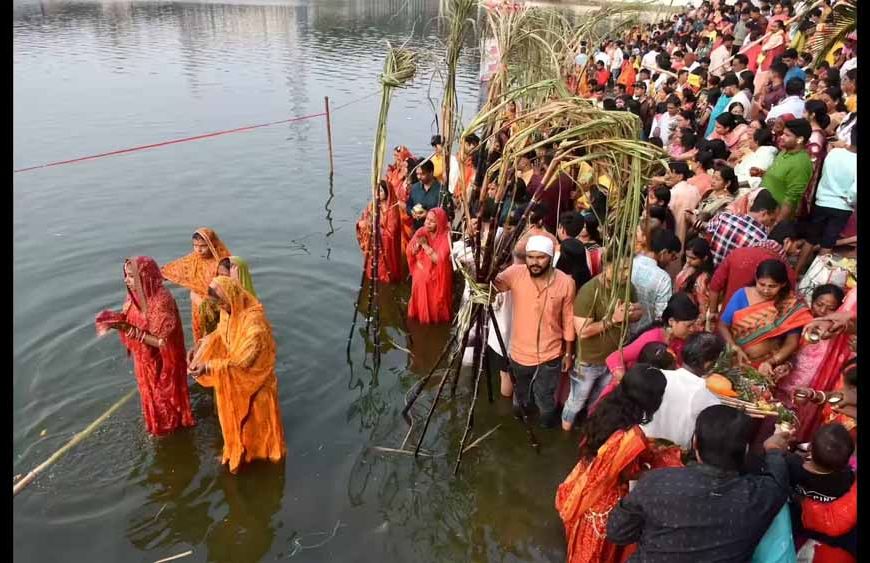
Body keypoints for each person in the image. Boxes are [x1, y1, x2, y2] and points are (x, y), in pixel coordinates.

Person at [607, 405, 792, 561]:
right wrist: (774, 450)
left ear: (695, 443)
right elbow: (778, 479)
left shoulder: (656, 482)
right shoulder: (762, 496)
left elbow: (618, 532)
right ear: (745, 450)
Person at [555, 364, 680, 563]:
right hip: (606, 505)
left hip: (585, 487)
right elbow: (624, 474)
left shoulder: (606, 407)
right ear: (650, 400)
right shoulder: (629, 438)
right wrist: (650, 471)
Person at [187, 277, 286, 473]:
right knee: (241, 426)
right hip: (236, 380)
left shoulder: (254, 324)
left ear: (232, 297)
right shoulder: (229, 311)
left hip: (256, 386)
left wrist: (209, 367)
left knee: (255, 427)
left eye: (222, 303)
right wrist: (199, 347)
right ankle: (240, 452)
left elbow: (245, 362)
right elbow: (219, 334)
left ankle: (259, 460)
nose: (221, 308)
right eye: (219, 304)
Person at [99, 256, 195, 436]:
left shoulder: (160, 301)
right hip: (144, 361)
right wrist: (116, 321)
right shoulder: (134, 295)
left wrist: (128, 329)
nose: (126, 280)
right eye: (125, 275)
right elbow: (131, 320)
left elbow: (163, 341)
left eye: (131, 276)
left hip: (162, 362)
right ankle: (159, 426)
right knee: (150, 397)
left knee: (165, 401)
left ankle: (173, 432)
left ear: (146, 276)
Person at [494, 235, 575, 429]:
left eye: (541, 257)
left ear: (550, 258)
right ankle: (519, 429)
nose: (535, 262)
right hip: (519, 354)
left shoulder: (565, 282)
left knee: (545, 399)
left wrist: (568, 353)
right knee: (519, 399)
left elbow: (569, 320)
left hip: (550, 355)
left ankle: (546, 427)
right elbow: (492, 288)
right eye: (530, 257)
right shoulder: (515, 273)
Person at [566, 249, 642, 430]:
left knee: (599, 399)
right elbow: (582, 331)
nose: (626, 274)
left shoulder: (627, 287)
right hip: (589, 361)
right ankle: (566, 429)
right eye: (621, 269)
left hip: (614, 358)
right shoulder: (588, 292)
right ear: (605, 267)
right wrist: (613, 320)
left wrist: (632, 313)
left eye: (628, 269)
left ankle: (587, 426)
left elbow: (638, 313)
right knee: (576, 402)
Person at [593, 293, 700, 410]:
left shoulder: (680, 341)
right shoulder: (652, 337)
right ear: (671, 321)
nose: (693, 329)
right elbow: (614, 358)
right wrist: (628, 384)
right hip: (626, 397)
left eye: (694, 324)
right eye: (688, 325)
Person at [718, 259, 813, 374]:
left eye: (772, 286)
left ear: (783, 284)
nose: (766, 290)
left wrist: (771, 361)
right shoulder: (742, 295)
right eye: (761, 284)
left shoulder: (790, 305)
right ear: (756, 279)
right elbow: (723, 325)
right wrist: (733, 346)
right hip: (734, 358)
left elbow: (792, 342)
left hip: (764, 366)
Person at [641, 332, 724, 449]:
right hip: (673, 457)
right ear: (708, 364)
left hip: (640, 449)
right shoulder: (704, 395)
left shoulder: (657, 377)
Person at [786, 423, 857, 561]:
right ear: (846, 462)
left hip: (796, 521)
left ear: (810, 448)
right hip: (824, 529)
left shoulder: (792, 464)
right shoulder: (847, 476)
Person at [707, 219, 802, 316]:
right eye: (798, 246)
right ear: (787, 242)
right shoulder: (787, 272)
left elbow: (715, 285)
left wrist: (713, 312)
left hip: (726, 317)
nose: (798, 251)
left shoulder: (738, 253)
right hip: (759, 326)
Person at [775, 284, 845, 406]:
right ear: (812, 302)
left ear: (839, 311)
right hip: (786, 381)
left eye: (831, 308)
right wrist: (787, 364)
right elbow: (792, 350)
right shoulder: (800, 322)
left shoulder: (839, 336)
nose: (823, 311)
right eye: (819, 304)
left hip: (814, 390)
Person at [161, 227, 231, 344]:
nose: (199, 250)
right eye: (195, 245)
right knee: (199, 337)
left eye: (203, 246)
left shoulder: (222, 263)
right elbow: (172, 270)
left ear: (212, 244)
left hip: (216, 306)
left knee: (217, 339)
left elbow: (230, 288)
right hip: (197, 306)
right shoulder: (192, 259)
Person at [705, 188, 779, 266]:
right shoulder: (762, 241)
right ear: (764, 214)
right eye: (772, 220)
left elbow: (705, 240)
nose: (773, 225)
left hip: (706, 270)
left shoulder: (722, 218)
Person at [759, 117, 814, 222]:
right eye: (783, 134)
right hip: (761, 208)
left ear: (800, 139)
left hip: (771, 217)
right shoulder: (784, 151)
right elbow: (780, 177)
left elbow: (791, 200)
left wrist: (776, 225)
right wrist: (762, 173)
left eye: (787, 135)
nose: (782, 137)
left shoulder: (801, 164)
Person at [406, 208, 453, 324]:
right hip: (419, 278)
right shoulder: (422, 231)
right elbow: (410, 250)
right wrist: (415, 248)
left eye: (432, 221)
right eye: (427, 219)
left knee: (433, 308)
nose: (427, 223)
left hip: (435, 280)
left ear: (440, 223)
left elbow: (439, 260)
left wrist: (425, 246)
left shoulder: (445, 237)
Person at [631, 228, 680, 336]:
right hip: (644, 335)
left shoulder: (631, 263)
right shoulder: (663, 278)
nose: (671, 262)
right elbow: (662, 316)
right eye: (672, 256)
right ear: (663, 252)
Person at [356, 180, 403, 284]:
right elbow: (363, 219)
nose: (378, 194)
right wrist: (365, 225)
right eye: (377, 191)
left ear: (387, 192)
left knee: (383, 272)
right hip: (373, 244)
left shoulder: (392, 209)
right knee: (372, 268)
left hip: (384, 248)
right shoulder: (372, 205)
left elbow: (391, 233)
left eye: (381, 191)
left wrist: (377, 229)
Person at [201, 255, 260, 336]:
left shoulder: (253, 305)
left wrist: (236, 285)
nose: (221, 279)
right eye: (219, 275)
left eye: (225, 276)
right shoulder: (214, 298)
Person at [406, 159, 449, 230]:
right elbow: (408, 206)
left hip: (435, 231)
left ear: (431, 173)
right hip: (417, 230)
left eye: (422, 174)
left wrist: (428, 214)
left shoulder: (441, 190)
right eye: (417, 174)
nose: (419, 177)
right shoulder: (414, 188)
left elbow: (447, 213)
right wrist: (412, 212)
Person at [675, 237, 714, 315]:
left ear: (705, 258)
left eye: (693, 258)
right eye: (687, 256)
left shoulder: (702, 279)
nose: (688, 260)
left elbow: (703, 305)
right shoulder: (689, 267)